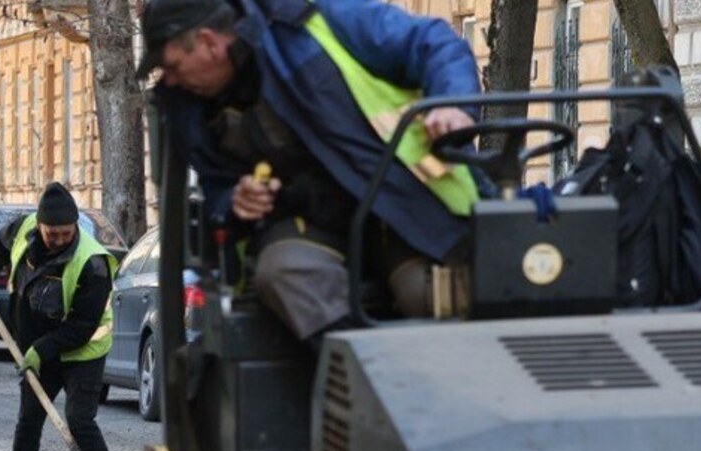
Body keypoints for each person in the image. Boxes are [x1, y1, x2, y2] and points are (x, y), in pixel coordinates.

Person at [139, 0, 483, 341]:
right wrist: (235, 200)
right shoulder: (191, 109)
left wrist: (454, 104)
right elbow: (216, 191)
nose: (170, 81)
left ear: (209, 42)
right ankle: (355, 377)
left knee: (426, 291)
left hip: (398, 203)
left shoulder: (317, 21)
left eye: (172, 66)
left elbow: (434, 42)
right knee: (286, 271)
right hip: (303, 222)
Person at [0, 183, 122, 451]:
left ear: (75, 226)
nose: (58, 239)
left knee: (79, 420)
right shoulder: (22, 229)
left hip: (83, 351)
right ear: (39, 225)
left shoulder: (94, 263)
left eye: (65, 233)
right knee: (28, 420)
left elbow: (83, 325)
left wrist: (41, 349)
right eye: (52, 233)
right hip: (36, 347)